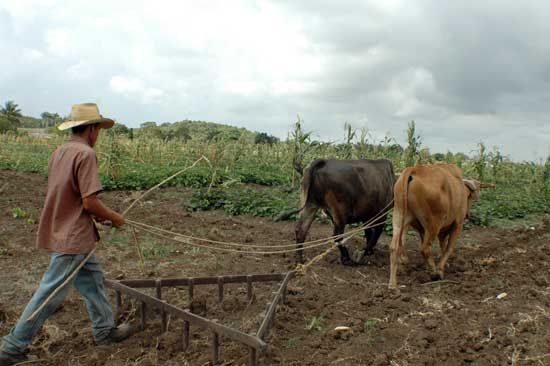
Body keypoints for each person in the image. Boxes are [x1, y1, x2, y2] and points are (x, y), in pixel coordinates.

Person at [0, 103, 133, 365]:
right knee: (50, 293)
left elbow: (70, 197)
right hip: (73, 237)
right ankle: (12, 347)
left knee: (92, 282)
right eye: (99, 130)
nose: (98, 135)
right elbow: (89, 202)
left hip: (70, 231)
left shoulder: (59, 152)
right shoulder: (85, 154)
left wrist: (96, 217)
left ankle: (105, 331)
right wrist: (115, 217)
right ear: (93, 129)